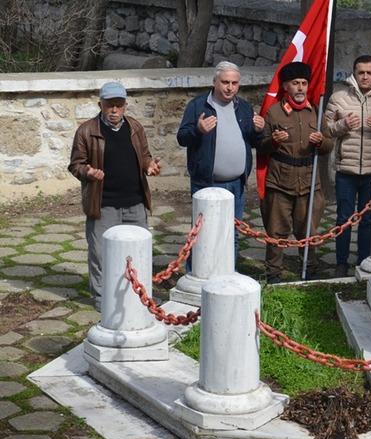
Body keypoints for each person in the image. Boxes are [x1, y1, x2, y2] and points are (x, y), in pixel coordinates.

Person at [68, 81, 161, 311]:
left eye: (119, 105)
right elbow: (75, 164)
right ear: (101, 104)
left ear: (125, 106)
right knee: (100, 253)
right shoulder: (87, 131)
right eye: (110, 105)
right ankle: (101, 298)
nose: (114, 110)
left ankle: (137, 293)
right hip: (103, 203)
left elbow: (145, 155)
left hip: (135, 202)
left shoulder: (135, 128)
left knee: (137, 251)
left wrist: (149, 165)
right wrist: (88, 172)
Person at [177, 61, 265, 261]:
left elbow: (253, 141)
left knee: (231, 234)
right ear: (215, 82)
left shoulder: (243, 107)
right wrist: (197, 130)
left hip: (236, 184)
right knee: (202, 234)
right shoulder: (198, 105)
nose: (230, 87)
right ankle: (196, 275)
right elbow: (182, 138)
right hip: (206, 183)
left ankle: (228, 276)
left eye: (234, 83)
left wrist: (259, 131)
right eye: (225, 82)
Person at [258, 62, 333, 283]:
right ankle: (273, 276)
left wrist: (321, 142)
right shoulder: (273, 113)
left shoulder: (316, 112)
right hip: (280, 182)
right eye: (295, 84)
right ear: (285, 87)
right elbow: (260, 148)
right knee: (276, 233)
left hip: (309, 182)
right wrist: (272, 141)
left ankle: (309, 273)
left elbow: (329, 145)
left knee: (308, 232)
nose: (300, 88)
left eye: (304, 83)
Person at [324, 55, 371, 277]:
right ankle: (341, 262)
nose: (365, 76)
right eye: (361, 72)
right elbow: (326, 130)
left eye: (369, 73)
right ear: (354, 74)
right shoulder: (338, 98)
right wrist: (342, 125)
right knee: (343, 218)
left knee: (368, 220)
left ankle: (365, 260)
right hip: (346, 169)